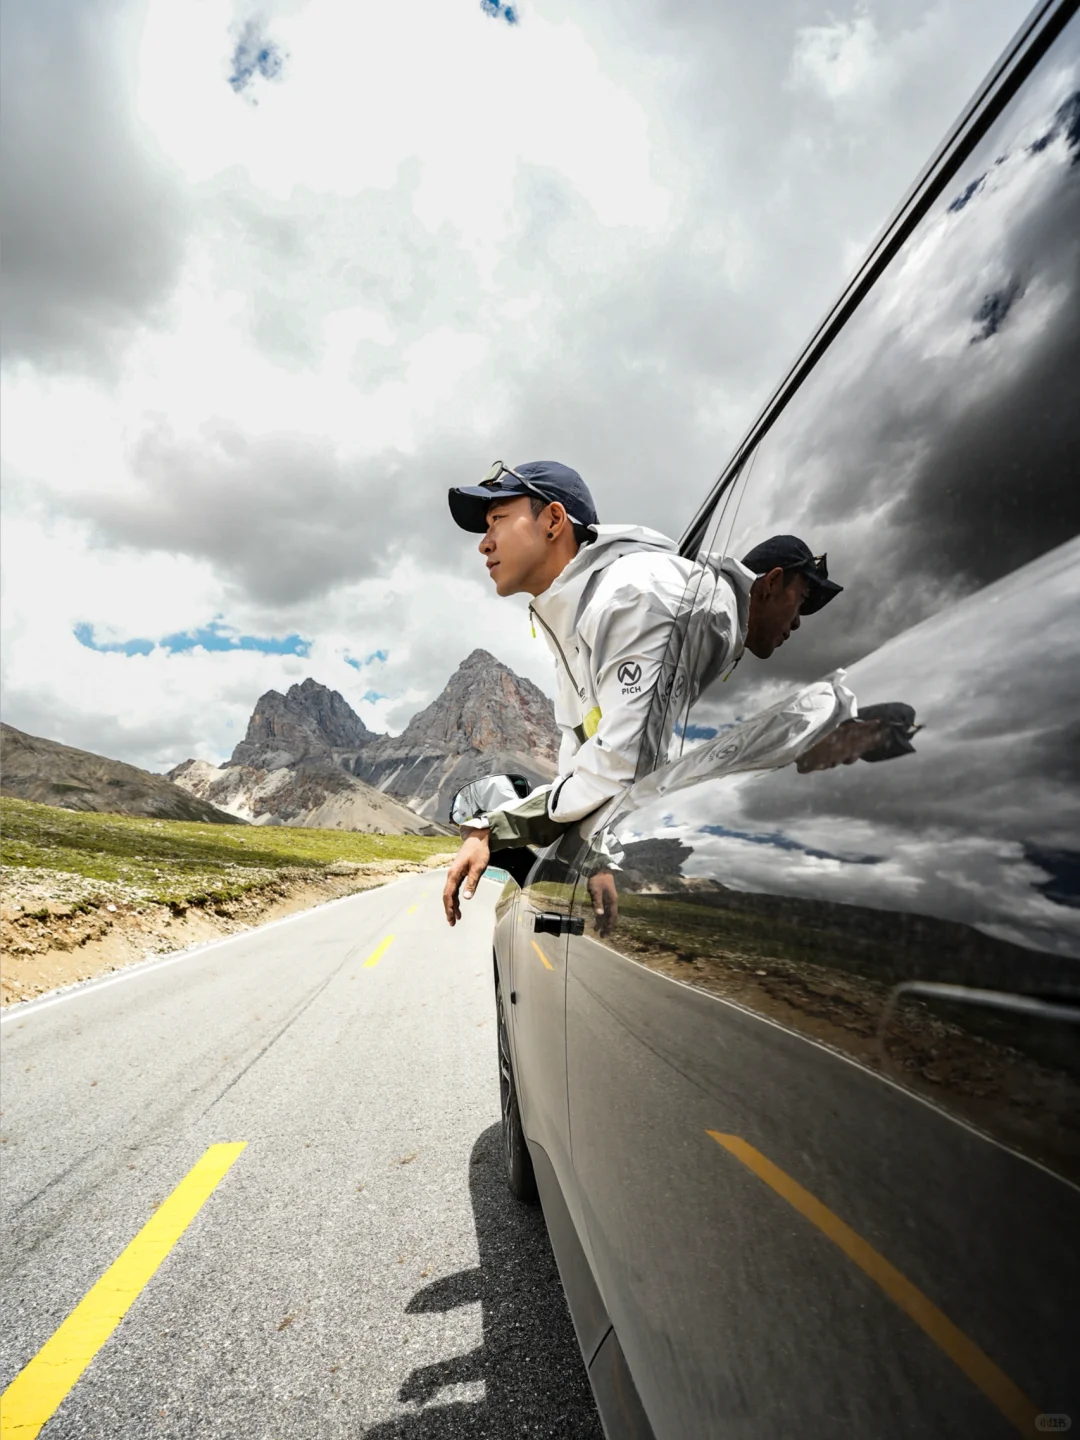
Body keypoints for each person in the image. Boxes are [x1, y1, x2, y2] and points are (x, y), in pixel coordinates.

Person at [442, 460, 843, 926]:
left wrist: (497, 825)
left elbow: (619, 764)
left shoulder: (634, 595)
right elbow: (587, 755)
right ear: (772, 583)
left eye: (497, 521)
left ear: (553, 521)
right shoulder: (593, 610)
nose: (484, 542)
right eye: (802, 601)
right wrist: (597, 858)